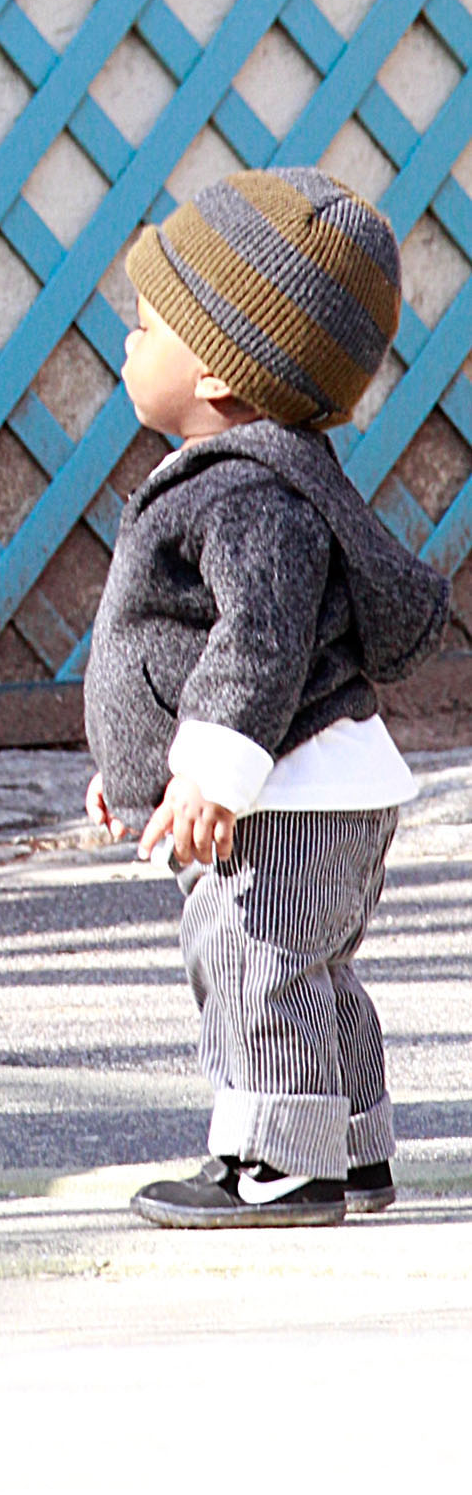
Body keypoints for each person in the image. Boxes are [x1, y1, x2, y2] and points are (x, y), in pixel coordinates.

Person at [83, 168, 447, 1229]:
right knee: (316, 973)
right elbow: (182, 655)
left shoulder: (245, 494)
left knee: (251, 964)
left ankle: (277, 1164)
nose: (124, 344)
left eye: (143, 325)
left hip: (278, 798)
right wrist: (138, 772)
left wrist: (208, 772)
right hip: (305, 789)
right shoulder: (256, 475)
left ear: (210, 365)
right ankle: (351, 1147)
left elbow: (258, 642)